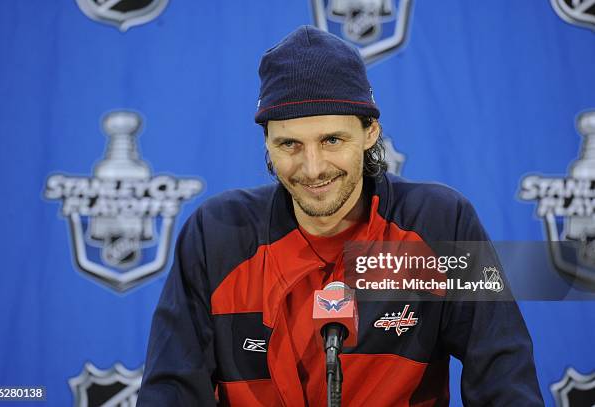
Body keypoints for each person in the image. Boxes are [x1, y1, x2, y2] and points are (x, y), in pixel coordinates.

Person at [137, 25, 544, 406]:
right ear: (267, 141)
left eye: (332, 139)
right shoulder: (216, 235)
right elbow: (170, 391)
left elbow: (504, 381)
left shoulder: (441, 223)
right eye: (290, 145)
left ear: (370, 132)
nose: (312, 168)